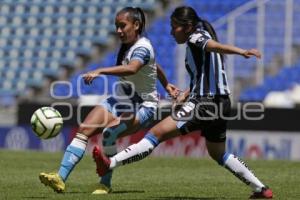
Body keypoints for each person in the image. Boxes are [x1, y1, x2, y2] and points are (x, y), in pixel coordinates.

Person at [92, 6, 273, 199]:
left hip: (205, 103)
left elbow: (212, 45)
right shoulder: (199, 39)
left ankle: (110, 163)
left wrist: (241, 51)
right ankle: (261, 189)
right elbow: (204, 75)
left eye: (174, 27)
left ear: (187, 26)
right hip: (221, 103)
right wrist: (186, 93)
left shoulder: (196, 37)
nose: (171, 32)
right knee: (218, 153)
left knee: (155, 134)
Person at [39, 7, 179, 194]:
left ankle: (105, 183)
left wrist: (100, 70)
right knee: (84, 129)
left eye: (123, 26)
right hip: (122, 97)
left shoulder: (143, 47)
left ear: (136, 25)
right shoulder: (131, 46)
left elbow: (133, 69)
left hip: (144, 105)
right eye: (117, 26)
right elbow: (155, 65)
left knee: (108, 134)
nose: (119, 31)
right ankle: (60, 178)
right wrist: (167, 84)